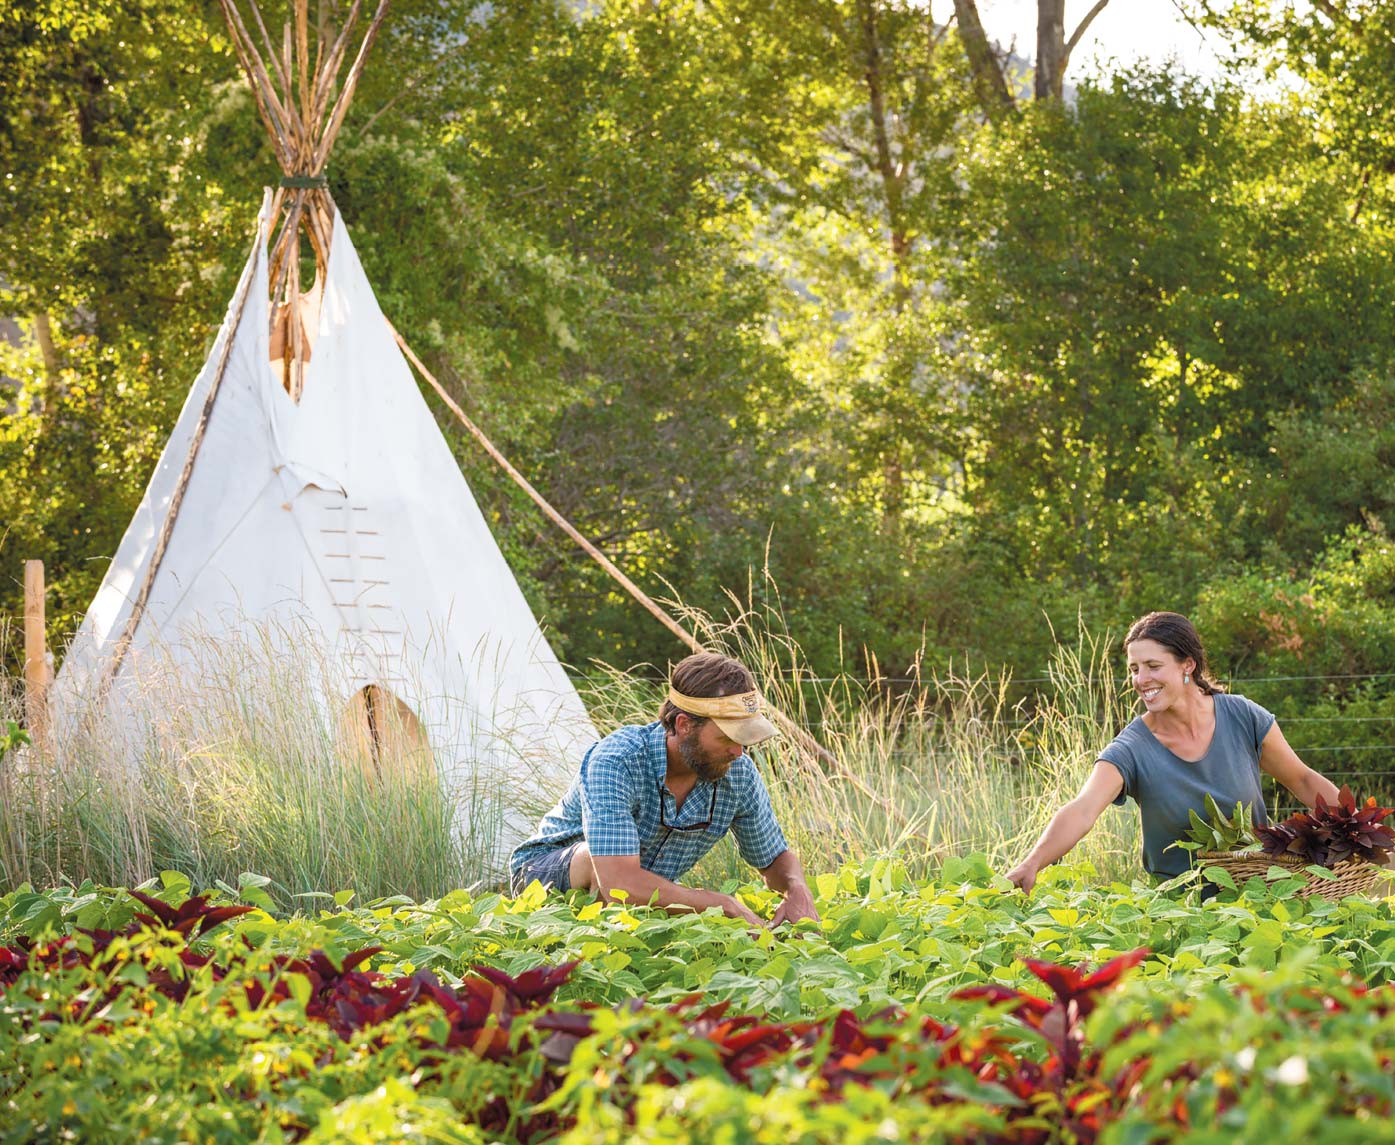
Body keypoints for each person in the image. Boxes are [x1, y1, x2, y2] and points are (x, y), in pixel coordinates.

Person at [1007, 611, 1340, 894]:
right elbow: (1083, 809)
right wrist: (1032, 863)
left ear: (1188, 665)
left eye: (1153, 666)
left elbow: (1303, 779)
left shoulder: (1242, 717)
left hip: (1258, 900)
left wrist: (1362, 833)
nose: (1141, 679)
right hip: (1180, 912)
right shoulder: (1132, 748)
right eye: (1134, 669)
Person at [508, 652, 820, 927]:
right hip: (543, 876)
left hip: (636, 895)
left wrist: (796, 889)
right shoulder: (617, 760)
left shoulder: (737, 772)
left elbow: (773, 857)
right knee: (597, 861)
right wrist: (721, 904)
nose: (739, 751)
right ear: (684, 724)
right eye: (727, 738)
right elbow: (619, 884)